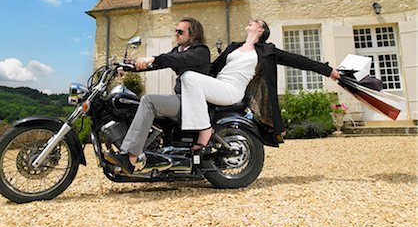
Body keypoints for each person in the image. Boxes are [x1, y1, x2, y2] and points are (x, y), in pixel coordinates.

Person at [180, 19, 341, 148]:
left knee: (188, 77)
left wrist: (328, 71)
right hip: (218, 86)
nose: (250, 21)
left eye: (255, 22)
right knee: (187, 77)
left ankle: (205, 130)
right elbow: (213, 67)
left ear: (261, 30)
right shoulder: (233, 47)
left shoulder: (267, 51)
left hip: (232, 91)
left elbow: (297, 60)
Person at [105, 17, 210, 174]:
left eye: (180, 31)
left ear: (193, 35)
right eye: (175, 31)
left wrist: (154, 58)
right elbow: (157, 63)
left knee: (149, 101)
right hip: (182, 100)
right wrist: (128, 68)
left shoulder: (201, 51)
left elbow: (174, 60)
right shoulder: (178, 51)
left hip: (192, 103)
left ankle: (130, 157)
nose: (176, 34)